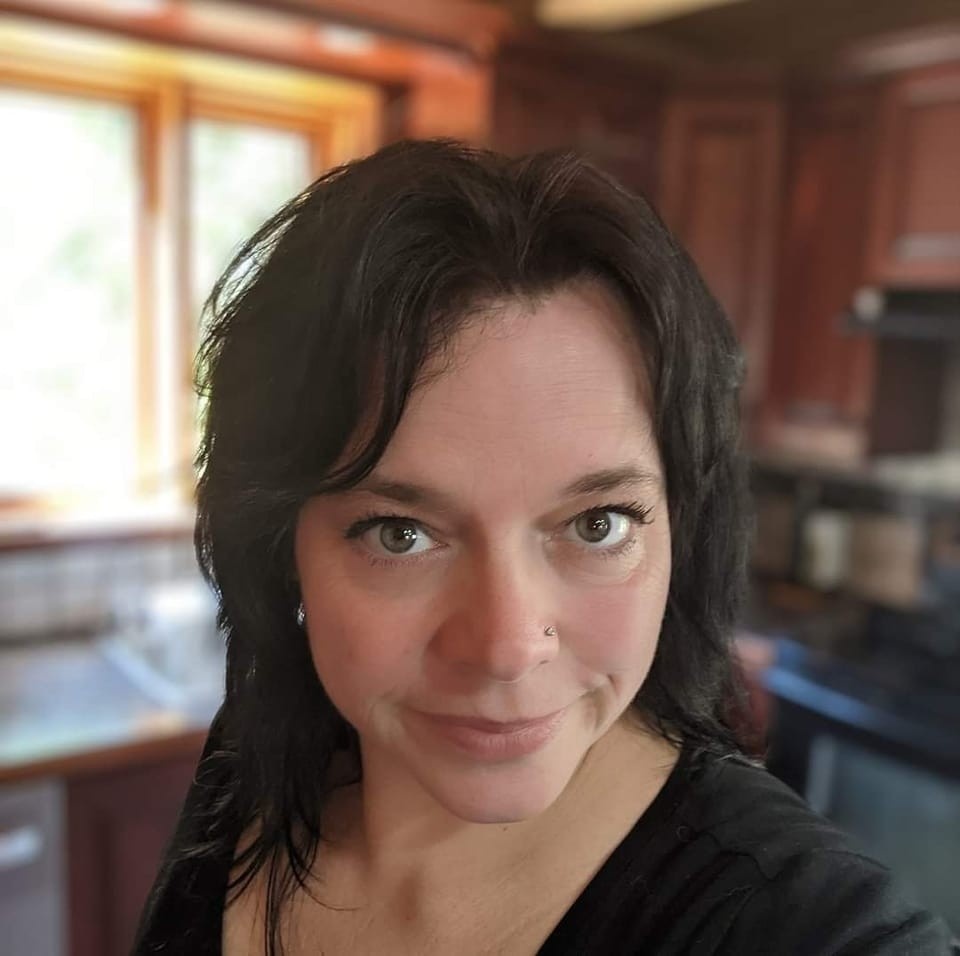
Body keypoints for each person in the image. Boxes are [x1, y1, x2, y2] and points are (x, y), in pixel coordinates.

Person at [135, 139, 956, 956]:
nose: (505, 648)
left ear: (680, 528)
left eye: (598, 524)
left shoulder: (806, 930)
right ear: (282, 546)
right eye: (400, 534)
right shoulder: (254, 758)